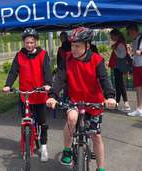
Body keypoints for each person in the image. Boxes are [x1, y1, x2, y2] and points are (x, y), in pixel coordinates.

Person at [46, 27, 116, 171]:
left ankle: (100, 168)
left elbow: (104, 79)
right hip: (75, 99)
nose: (74, 49)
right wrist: (52, 96)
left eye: (78, 46)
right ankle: (67, 150)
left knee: (96, 136)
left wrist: (110, 97)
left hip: (94, 102)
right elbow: (60, 78)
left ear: (87, 46)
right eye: (72, 45)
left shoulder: (97, 60)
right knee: (71, 119)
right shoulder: (68, 59)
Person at [2, 28, 52, 162]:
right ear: (23, 43)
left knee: (42, 123)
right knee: (25, 122)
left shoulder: (43, 54)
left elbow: (47, 71)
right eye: (27, 42)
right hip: (25, 94)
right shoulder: (19, 55)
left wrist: (47, 83)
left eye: (32, 42)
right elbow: (13, 72)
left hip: (39, 94)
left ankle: (44, 146)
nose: (29, 45)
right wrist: (8, 85)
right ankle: (26, 146)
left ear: (36, 42)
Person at [108, 29, 131, 111]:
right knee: (119, 84)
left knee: (119, 84)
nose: (111, 38)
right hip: (118, 66)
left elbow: (122, 55)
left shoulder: (120, 44)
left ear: (116, 36)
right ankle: (121, 102)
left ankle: (124, 102)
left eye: (112, 36)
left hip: (119, 66)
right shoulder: (120, 43)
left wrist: (114, 49)